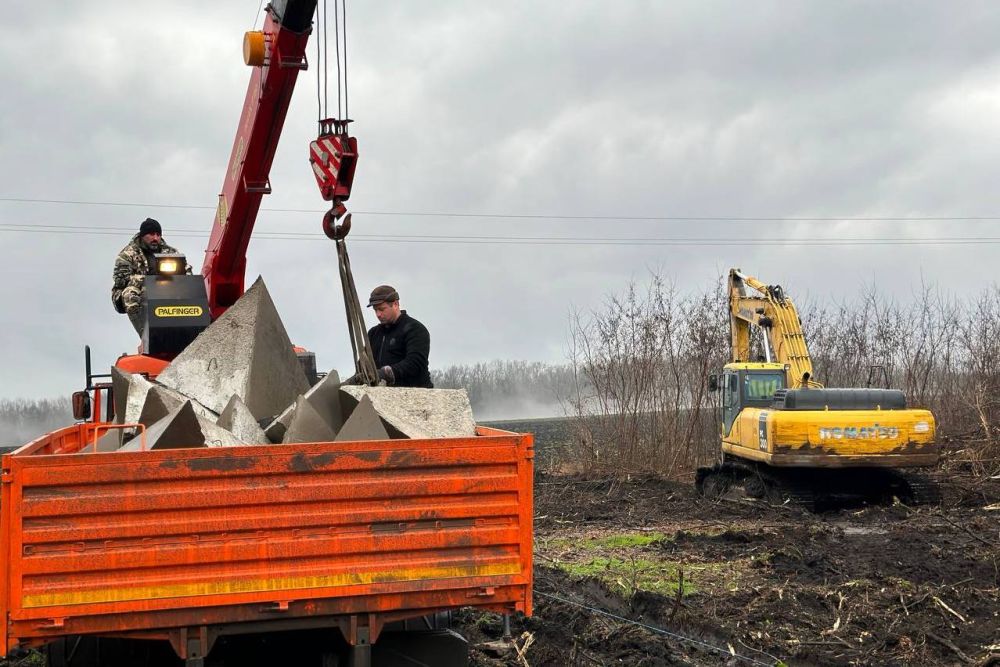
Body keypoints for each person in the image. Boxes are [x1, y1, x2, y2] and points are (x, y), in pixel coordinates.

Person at [111, 218, 181, 335]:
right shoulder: (127, 254)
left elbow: (186, 271)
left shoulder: (170, 252)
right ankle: (146, 336)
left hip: (165, 290)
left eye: (158, 235)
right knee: (129, 294)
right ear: (143, 235)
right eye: (151, 234)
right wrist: (149, 280)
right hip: (136, 292)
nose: (155, 238)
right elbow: (121, 280)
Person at [366, 285, 433, 388]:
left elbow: (415, 363)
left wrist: (385, 373)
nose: (378, 314)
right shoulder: (373, 334)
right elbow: (365, 364)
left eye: (382, 309)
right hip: (382, 397)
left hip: (415, 396)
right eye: (375, 310)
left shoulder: (415, 329)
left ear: (396, 304)